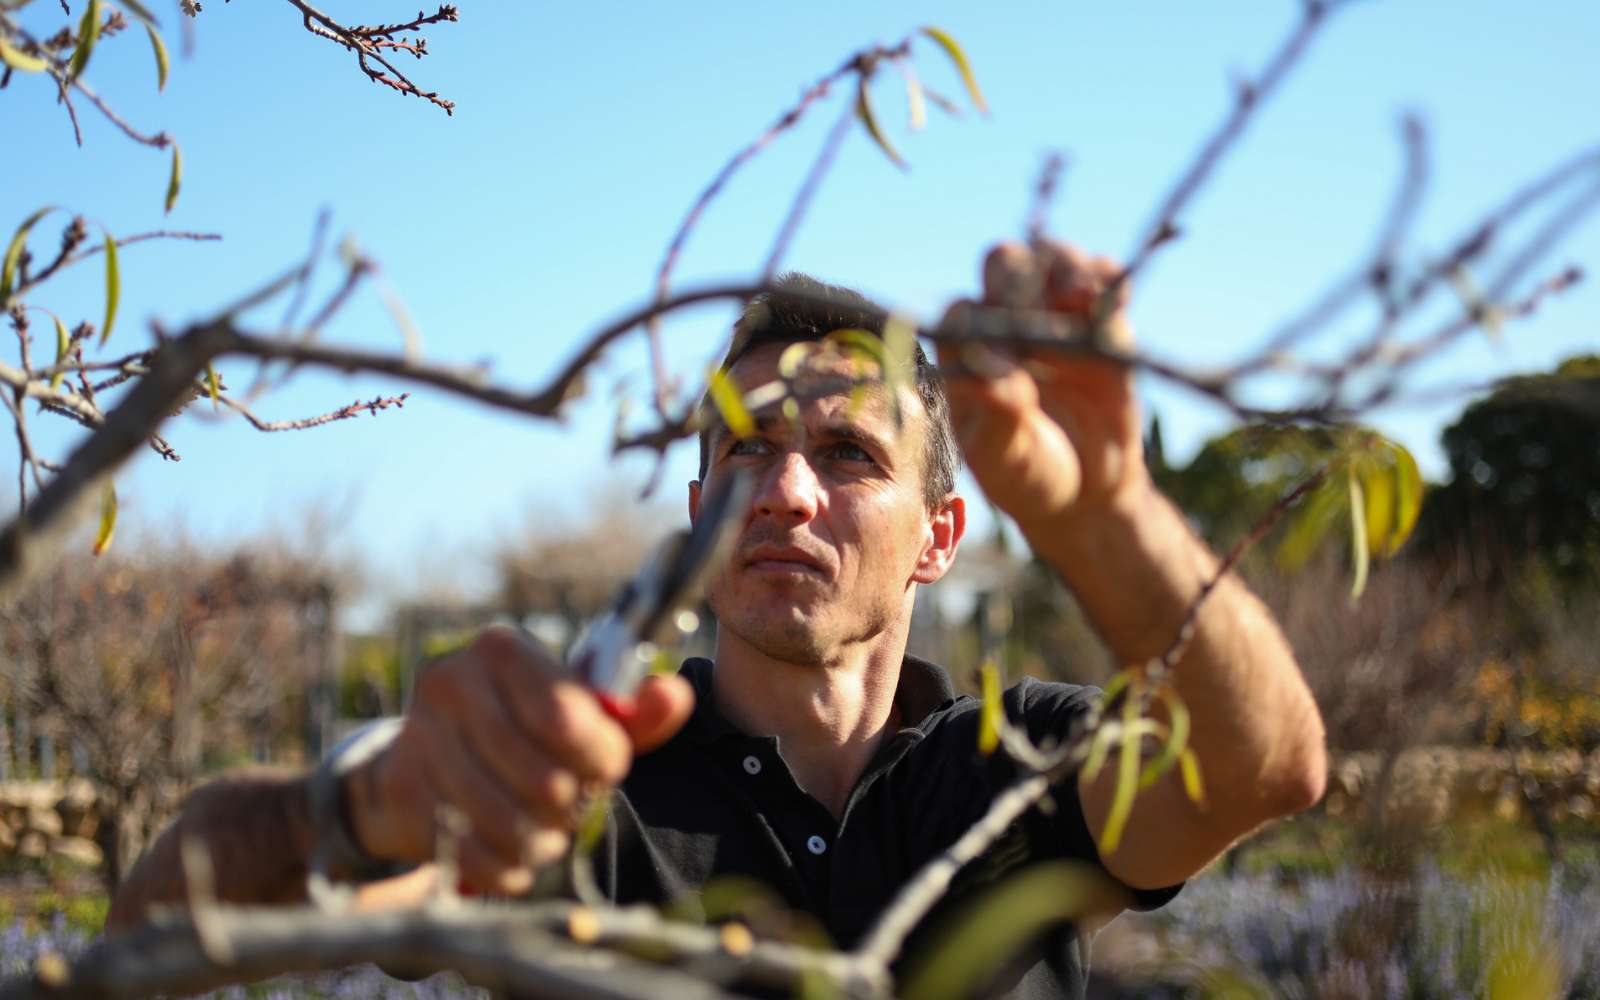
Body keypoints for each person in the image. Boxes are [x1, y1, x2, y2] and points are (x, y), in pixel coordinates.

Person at [108, 241, 1327, 998]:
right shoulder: (586, 784)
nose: (785, 489)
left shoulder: (1016, 768)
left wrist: (1103, 506)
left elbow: (1262, 764)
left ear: (940, 539)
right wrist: (360, 804)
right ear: (697, 512)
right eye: (747, 451)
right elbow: (162, 925)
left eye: (847, 453)